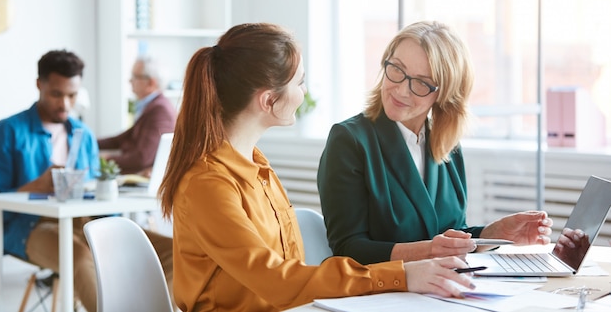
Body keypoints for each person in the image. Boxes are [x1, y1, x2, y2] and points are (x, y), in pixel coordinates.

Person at [158, 22, 478, 312]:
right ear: (268, 101)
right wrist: (401, 275)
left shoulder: (257, 168)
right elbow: (280, 280)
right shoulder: (208, 184)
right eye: (300, 82)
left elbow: (288, 278)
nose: (304, 92)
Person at [317, 21, 554, 266]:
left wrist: (491, 235)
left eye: (421, 82)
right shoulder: (349, 141)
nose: (401, 90)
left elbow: (448, 234)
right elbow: (349, 250)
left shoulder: (446, 145)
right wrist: (428, 252)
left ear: (444, 93)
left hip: (439, 289)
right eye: (396, 69)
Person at [0, 50, 173, 312]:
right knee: (80, 256)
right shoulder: (7, 131)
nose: (65, 104)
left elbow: (94, 185)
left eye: (72, 95)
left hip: (85, 222)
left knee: (173, 252)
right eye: (56, 94)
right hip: (28, 227)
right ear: (39, 85)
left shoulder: (82, 136)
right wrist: (34, 187)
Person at [98, 55, 177, 175]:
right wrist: (89, 141)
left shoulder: (160, 110)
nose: (130, 81)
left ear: (151, 82)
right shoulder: (150, 106)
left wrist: (105, 159)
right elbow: (122, 139)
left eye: (135, 76)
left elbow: (142, 158)